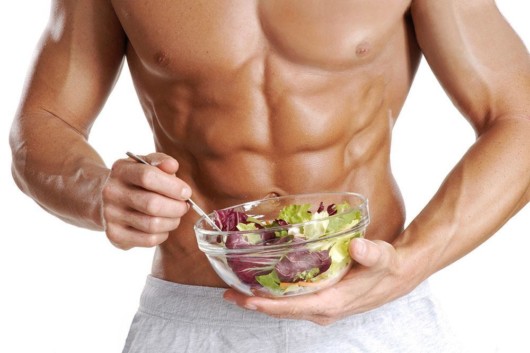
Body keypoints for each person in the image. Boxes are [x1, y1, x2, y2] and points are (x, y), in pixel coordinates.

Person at [9, 1, 529, 352]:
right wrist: (96, 191)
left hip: (373, 313)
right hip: (195, 319)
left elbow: (519, 118)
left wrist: (410, 265)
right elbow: (41, 123)